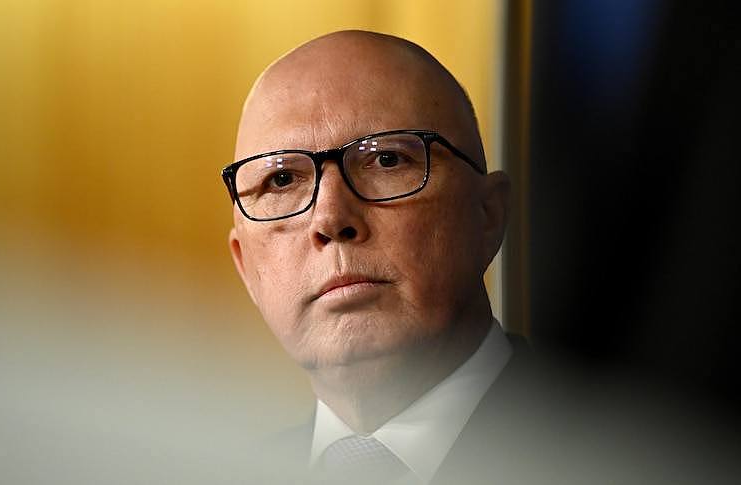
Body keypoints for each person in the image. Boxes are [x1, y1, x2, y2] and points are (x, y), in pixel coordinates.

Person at [220, 30, 738, 485]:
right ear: (246, 266)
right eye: (281, 180)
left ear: (488, 216)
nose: (331, 217)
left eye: (386, 159)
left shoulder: (646, 466)